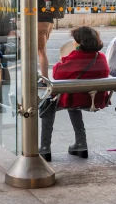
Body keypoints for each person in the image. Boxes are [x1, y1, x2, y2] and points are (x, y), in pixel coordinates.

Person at [40, 26, 110, 161]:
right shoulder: (100, 57)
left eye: (75, 40)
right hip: (94, 99)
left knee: (48, 102)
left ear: (80, 43)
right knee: (73, 103)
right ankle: (81, 144)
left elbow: (56, 73)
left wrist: (62, 60)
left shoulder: (75, 56)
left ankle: (45, 147)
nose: (73, 42)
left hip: (76, 98)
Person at [37, 0, 55, 80]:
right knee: (42, 50)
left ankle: (44, 80)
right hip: (49, 21)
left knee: (41, 51)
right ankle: (43, 78)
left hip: (40, 20)